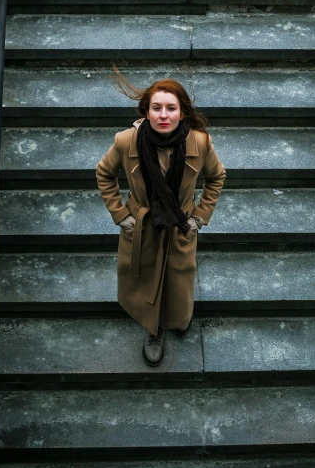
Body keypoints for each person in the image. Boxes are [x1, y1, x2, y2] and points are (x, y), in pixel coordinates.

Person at [95, 70, 226, 367]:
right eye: (157, 108)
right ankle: (154, 329)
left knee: (179, 278)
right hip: (143, 226)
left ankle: (177, 315)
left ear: (182, 113)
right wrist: (121, 215)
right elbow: (104, 173)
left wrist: (200, 217)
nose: (163, 115)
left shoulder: (200, 143)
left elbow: (216, 177)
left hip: (180, 225)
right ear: (147, 111)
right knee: (144, 277)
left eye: (171, 108)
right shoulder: (126, 141)